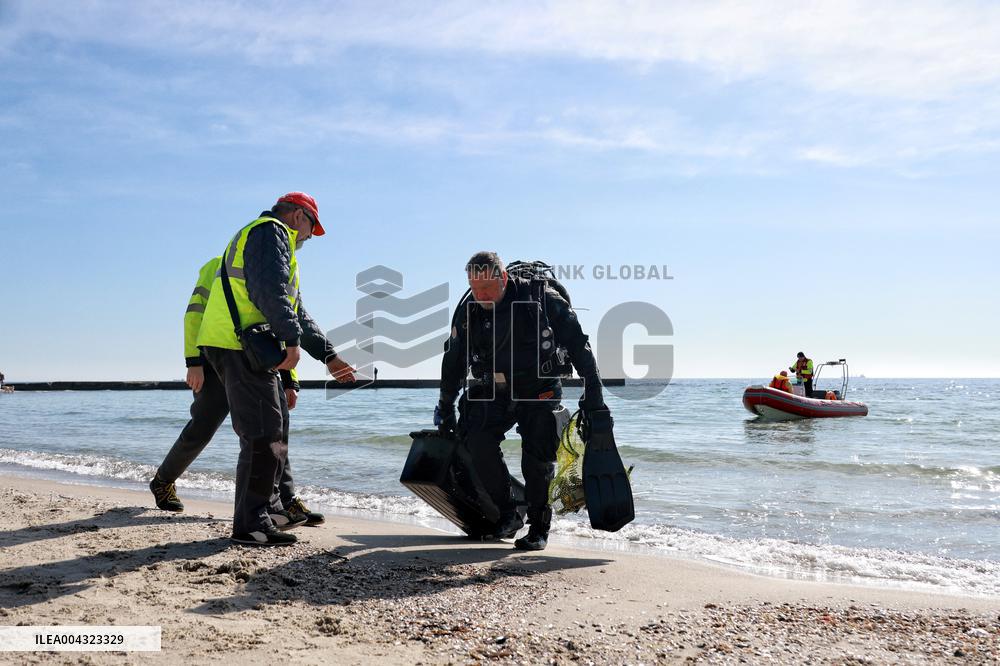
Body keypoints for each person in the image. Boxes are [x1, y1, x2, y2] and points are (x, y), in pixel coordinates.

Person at [195, 192, 356, 547]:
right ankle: (250, 525)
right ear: (299, 216)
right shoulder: (271, 232)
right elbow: (268, 292)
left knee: (275, 427)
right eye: (312, 228)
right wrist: (291, 341)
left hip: (246, 345)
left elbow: (294, 309)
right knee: (262, 434)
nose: (310, 237)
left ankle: (275, 509)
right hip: (237, 345)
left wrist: (329, 356)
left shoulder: (272, 240)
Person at [436, 252, 607, 551]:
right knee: (475, 439)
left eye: (487, 289)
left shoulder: (540, 297)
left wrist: (593, 388)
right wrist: (446, 406)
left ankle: (539, 528)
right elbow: (453, 362)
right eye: (475, 289)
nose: (481, 295)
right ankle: (508, 513)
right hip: (495, 388)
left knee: (537, 457)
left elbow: (579, 344)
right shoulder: (469, 311)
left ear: (503, 278)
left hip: (538, 387)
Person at [148, 256, 323, 532]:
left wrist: (291, 379)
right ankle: (162, 481)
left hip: (254, 358)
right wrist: (193, 361)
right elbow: (194, 313)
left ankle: (284, 501)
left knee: (274, 426)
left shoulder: (267, 267)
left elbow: (277, 323)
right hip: (215, 359)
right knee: (203, 427)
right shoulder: (218, 265)